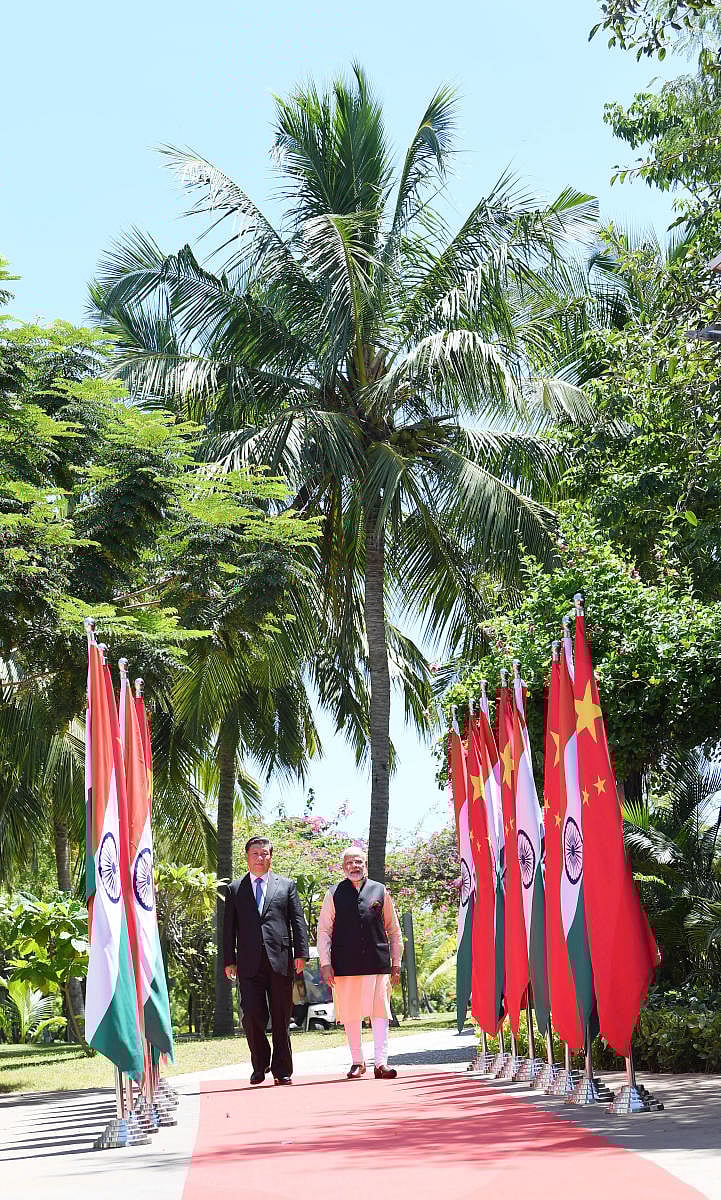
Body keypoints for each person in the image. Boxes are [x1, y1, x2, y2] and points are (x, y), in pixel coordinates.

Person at [223, 836, 309, 1085]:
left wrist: (300, 954)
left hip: (281, 961)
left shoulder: (286, 886)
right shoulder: (235, 889)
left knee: (282, 1017)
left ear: (271, 856)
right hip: (248, 964)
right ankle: (260, 1065)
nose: (260, 858)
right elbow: (229, 928)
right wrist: (230, 959)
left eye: (264, 854)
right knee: (251, 1014)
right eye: (255, 854)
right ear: (247, 857)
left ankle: (283, 1069)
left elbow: (297, 922)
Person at [318, 846, 402, 1079]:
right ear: (343, 867)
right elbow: (324, 931)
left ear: (365, 864)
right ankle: (358, 1062)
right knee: (351, 1013)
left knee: (380, 1013)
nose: (354, 866)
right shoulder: (333, 893)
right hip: (345, 964)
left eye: (358, 862)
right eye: (349, 863)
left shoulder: (380, 891)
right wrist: (325, 963)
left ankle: (381, 1063)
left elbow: (393, 929)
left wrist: (397, 962)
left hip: (377, 962)